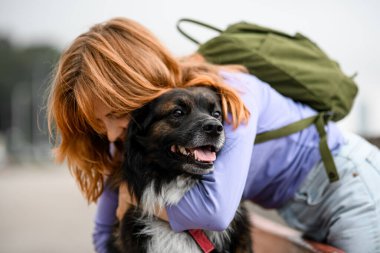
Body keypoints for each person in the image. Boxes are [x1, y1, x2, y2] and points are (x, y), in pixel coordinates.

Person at [47, 17, 380, 253]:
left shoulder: (228, 96)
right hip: (301, 206)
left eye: (115, 115)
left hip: (350, 185)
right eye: (97, 122)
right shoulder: (142, 126)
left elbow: (215, 213)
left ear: (137, 86)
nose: (110, 132)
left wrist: (135, 198)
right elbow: (104, 231)